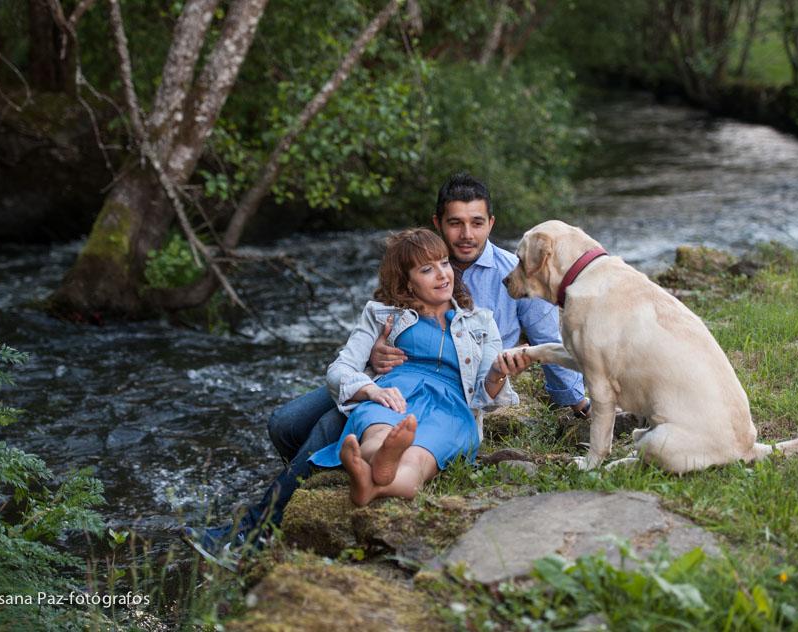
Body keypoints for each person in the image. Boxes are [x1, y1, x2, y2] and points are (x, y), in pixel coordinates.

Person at [181, 173, 586, 569]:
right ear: (438, 226)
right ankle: (317, 471)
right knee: (283, 425)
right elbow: (370, 332)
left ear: (490, 224)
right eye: (455, 224)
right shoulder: (415, 261)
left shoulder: (509, 276)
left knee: (326, 428)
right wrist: (376, 357)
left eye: (476, 223)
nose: (466, 235)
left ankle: (254, 532)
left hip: (450, 390)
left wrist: (577, 399)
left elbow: (544, 337)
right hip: (386, 378)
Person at [308, 228, 529, 506]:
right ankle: (379, 461)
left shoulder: (481, 322)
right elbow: (340, 369)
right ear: (407, 282)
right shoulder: (381, 314)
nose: (443, 274)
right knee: (378, 432)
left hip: (451, 406)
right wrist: (371, 391)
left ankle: (371, 484)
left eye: (445, 263)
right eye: (427, 269)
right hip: (394, 392)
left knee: (417, 458)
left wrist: (499, 372)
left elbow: (485, 397)